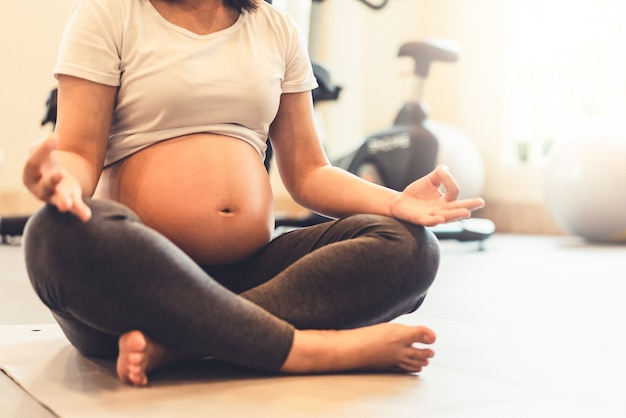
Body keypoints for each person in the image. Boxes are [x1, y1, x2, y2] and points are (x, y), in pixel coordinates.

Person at [22, 0, 485, 387]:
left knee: (411, 246)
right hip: (147, 285)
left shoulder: (273, 25)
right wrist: (60, 180)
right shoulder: (109, 12)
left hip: (256, 278)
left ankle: (184, 343)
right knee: (52, 236)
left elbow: (308, 171)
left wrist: (393, 202)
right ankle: (308, 350)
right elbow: (79, 152)